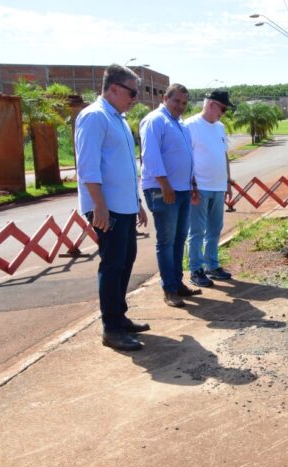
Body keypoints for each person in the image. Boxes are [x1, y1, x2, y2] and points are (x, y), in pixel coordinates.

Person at [75, 64, 148, 351]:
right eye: (132, 91)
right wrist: (99, 207)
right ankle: (112, 328)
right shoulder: (94, 117)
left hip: (125, 206)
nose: (135, 97)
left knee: (126, 260)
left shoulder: (118, 118)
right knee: (113, 265)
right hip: (108, 208)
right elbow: (87, 167)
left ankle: (120, 317)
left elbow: (126, 167)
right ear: (114, 88)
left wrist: (137, 203)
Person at [140, 83, 201, 308]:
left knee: (179, 239)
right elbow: (151, 156)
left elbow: (187, 158)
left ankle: (178, 283)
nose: (180, 106)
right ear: (165, 98)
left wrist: (192, 183)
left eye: (184, 103)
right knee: (166, 241)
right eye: (176, 101)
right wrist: (165, 184)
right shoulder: (156, 120)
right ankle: (169, 289)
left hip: (183, 189)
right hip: (163, 190)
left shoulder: (180, 124)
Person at [185, 90, 234, 287]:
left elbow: (224, 156)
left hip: (218, 186)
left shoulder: (220, 127)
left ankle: (212, 265)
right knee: (197, 231)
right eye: (223, 108)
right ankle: (196, 269)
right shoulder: (191, 126)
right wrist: (193, 185)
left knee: (215, 228)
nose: (224, 113)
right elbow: (186, 159)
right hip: (200, 187)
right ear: (212, 104)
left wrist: (228, 182)